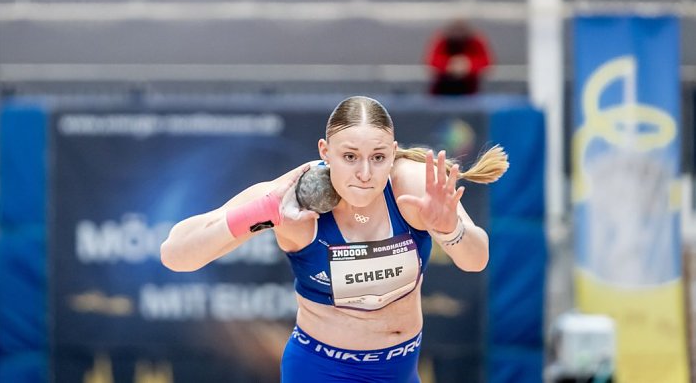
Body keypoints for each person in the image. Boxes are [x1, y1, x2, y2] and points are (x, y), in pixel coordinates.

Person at [160, 96, 509, 382]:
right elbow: (176, 254)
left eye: (378, 157)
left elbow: (475, 259)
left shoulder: (414, 187)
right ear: (325, 152)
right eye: (350, 157)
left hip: (398, 372)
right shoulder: (290, 198)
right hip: (319, 372)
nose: (365, 174)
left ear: (393, 151)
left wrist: (450, 229)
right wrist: (257, 213)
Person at [425, 19, 493, 95]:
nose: (458, 35)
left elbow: (486, 61)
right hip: (442, 88)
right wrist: (449, 65)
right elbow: (432, 60)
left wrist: (468, 65)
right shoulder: (442, 39)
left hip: (469, 88)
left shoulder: (475, 40)